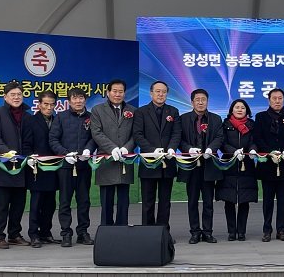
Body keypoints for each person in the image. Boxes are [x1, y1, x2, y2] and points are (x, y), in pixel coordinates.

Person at [0, 81, 33, 249]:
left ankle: (14, 234)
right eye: (12, 95)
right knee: (1, 204)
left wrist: (28, 156)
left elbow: (29, 140)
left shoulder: (28, 115)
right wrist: (5, 151)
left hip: (22, 166)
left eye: (19, 95)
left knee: (19, 203)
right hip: (3, 165)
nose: (16, 97)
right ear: (5, 97)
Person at [50, 87, 97, 247]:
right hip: (65, 166)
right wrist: (65, 153)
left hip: (84, 166)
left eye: (81, 98)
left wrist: (88, 150)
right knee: (65, 201)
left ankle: (83, 232)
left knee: (84, 201)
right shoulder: (61, 117)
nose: (78, 101)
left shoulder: (91, 117)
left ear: (85, 100)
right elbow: (53, 140)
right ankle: (66, 233)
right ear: (69, 101)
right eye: (74, 98)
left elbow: (94, 137)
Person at [133, 80, 181, 232]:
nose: (161, 94)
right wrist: (152, 150)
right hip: (149, 162)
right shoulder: (141, 112)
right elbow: (138, 135)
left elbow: (176, 133)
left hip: (168, 162)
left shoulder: (173, 111)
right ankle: (147, 233)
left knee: (165, 201)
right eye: (158, 91)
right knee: (148, 201)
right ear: (151, 93)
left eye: (164, 92)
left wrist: (171, 148)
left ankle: (163, 233)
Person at [177, 88, 223, 243]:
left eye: (203, 99)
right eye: (197, 99)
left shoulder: (216, 119)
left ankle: (208, 231)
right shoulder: (183, 119)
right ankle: (195, 232)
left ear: (207, 101)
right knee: (192, 201)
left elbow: (219, 137)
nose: (201, 102)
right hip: (191, 166)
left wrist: (211, 148)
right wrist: (188, 149)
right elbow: (179, 139)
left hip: (209, 165)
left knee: (208, 201)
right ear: (192, 102)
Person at [90, 80, 137, 229]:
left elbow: (136, 134)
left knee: (124, 198)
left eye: (121, 91)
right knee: (107, 199)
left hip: (125, 159)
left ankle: (122, 227)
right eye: (114, 91)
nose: (117, 94)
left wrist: (126, 148)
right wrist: (112, 149)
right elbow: (96, 133)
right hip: (106, 160)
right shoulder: (97, 110)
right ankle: (106, 229)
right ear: (108, 92)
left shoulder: (133, 110)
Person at [254, 88, 284, 241]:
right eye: (274, 98)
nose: (277, 101)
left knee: (282, 200)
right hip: (267, 164)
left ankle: (281, 230)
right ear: (269, 100)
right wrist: (269, 152)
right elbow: (258, 138)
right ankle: (267, 230)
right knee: (267, 199)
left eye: (280, 98)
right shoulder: (260, 117)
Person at [218, 99, 259, 241]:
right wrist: (233, 151)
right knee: (229, 199)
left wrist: (252, 150)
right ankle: (231, 231)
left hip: (246, 164)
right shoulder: (225, 124)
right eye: (237, 107)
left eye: (243, 107)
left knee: (244, 199)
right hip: (229, 162)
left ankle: (241, 231)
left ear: (247, 110)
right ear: (232, 110)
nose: (240, 110)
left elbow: (254, 141)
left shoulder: (252, 125)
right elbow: (222, 142)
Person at [26, 90, 59, 247]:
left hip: (54, 167)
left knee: (50, 203)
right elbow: (26, 144)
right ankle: (34, 234)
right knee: (36, 202)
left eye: (52, 104)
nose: (49, 107)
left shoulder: (58, 120)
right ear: (39, 104)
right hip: (37, 168)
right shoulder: (31, 121)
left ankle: (46, 232)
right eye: (45, 104)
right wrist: (29, 157)